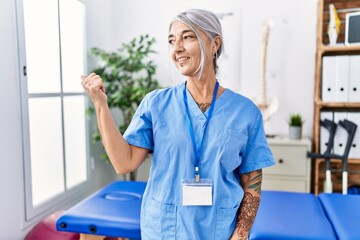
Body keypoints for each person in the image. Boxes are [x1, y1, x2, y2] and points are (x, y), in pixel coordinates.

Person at [81, 8, 275, 240]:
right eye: (172, 41)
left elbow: (252, 182)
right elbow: (124, 162)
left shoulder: (245, 112)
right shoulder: (156, 104)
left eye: (188, 37)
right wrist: (101, 105)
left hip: (219, 231)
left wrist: (240, 234)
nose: (177, 48)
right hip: (163, 230)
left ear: (215, 44)